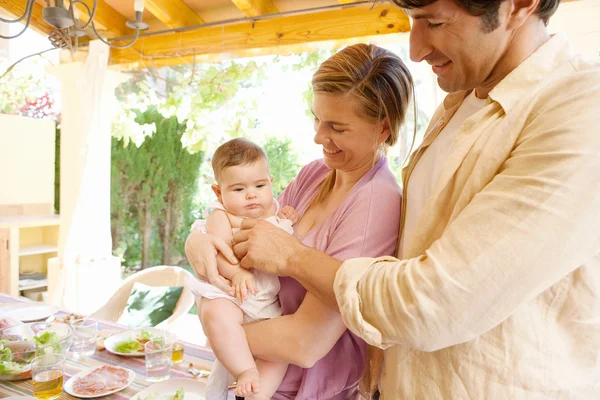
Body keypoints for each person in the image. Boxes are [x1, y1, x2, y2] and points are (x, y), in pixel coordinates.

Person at [226, 0, 600, 398]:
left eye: (434, 22)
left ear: (520, 5)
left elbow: (438, 302)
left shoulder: (578, 111)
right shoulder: (459, 105)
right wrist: (206, 238)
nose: (416, 49)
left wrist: (286, 262)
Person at [186, 43, 414, 399]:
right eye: (317, 118)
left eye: (337, 127)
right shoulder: (317, 173)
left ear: (382, 129)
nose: (319, 137)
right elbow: (245, 232)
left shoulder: (376, 205)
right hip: (257, 375)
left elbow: (305, 344)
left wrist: (219, 329)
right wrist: (199, 235)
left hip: (303, 390)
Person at [185, 138, 297, 399]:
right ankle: (245, 369)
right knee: (216, 313)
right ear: (218, 192)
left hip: (266, 305)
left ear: (270, 181)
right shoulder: (219, 215)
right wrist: (236, 272)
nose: (251, 194)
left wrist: (289, 216)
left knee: (277, 355)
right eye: (238, 189)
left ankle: (257, 394)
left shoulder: (272, 210)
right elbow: (219, 252)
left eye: (260, 185)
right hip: (233, 295)